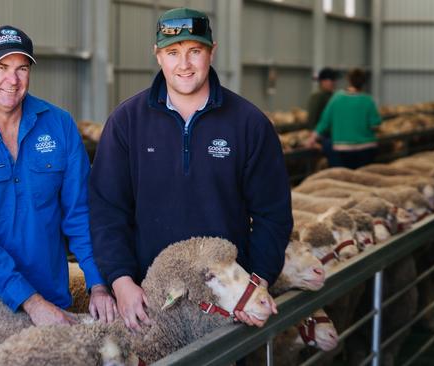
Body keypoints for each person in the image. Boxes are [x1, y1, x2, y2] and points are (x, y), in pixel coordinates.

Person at [89, 8, 292, 331]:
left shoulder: (249, 124)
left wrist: (253, 283)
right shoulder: (127, 122)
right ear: (157, 56)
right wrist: (121, 280)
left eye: (194, 51)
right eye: (173, 53)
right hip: (149, 299)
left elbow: (273, 214)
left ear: (212, 52)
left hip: (225, 301)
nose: (184, 64)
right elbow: (107, 210)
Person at [0, 25, 116, 325]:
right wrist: (31, 302)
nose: (12, 80)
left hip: (48, 299)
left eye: (22, 68)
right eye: (1, 67)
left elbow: (80, 213)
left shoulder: (60, 126)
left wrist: (98, 284)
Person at [307, 68, 381, 169]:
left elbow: (324, 122)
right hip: (366, 149)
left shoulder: (337, 98)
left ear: (349, 81)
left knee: (344, 179)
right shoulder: (368, 100)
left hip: (342, 149)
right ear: (364, 82)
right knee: (362, 179)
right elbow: (375, 125)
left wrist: (312, 138)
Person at [307, 67, 339, 166]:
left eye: (334, 80)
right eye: (331, 80)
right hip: (323, 137)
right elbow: (312, 118)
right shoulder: (318, 97)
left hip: (335, 135)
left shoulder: (335, 96)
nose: (333, 83)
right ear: (323, 81)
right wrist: (313, 137)